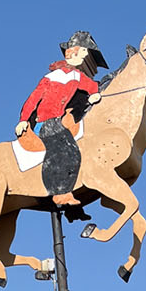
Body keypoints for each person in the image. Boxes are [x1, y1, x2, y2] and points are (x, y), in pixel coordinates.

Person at [15, 30, 108, 206]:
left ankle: (75, 197)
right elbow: (33, 99)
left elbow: (91, 86)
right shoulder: (51, 77)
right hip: (45, 121)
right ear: (72, 53)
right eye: (81, 52)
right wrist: (23, 120)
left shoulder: (77, 76)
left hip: (61, 119)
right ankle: (60, 193)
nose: (82, 55)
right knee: (67, 150)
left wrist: (95, 94)